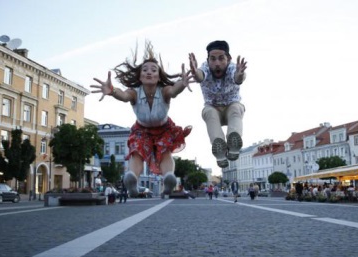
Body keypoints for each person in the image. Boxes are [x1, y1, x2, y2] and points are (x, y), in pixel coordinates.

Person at [91, 42, 192, 198]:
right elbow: (123, 96)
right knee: (137, 151)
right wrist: (112, 91)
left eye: (153, 70)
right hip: (142, 130)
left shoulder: (163, 90)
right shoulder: (135, 93)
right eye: (145, 70)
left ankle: (169, 178)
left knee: (165, 152)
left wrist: (183, 84)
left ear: (159, 77)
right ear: (140, 76)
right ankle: (132, 178)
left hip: (164, 129)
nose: (149, 72)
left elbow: (173, 91)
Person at [189, 40, 247, 168]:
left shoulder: (233, 68)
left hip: (231, 108)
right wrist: (194, 72)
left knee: (236, 108)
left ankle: (233, 142)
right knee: (208, 111)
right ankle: (219, 148)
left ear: (229, 58)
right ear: (208, 60)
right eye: (213, 59)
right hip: (213, 109)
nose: (217, 64)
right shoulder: (205, 68)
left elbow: (238, 78)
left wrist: (240, 74)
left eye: (221, 59)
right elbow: (200, 76)